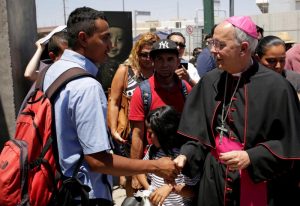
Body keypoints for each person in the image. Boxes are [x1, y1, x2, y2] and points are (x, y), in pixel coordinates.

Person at [42, 7, 178, 205]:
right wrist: (156, 166)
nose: (110, 45)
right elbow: (98, 161)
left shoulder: (53, 71)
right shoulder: (86, 86)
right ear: (83, 38)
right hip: (86, 194)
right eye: (105, 38)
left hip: (58, 187)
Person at [174, 16, 300, 206]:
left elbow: (291, 143)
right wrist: (186, 154)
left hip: (260, 181)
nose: (213, 50)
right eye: (212, 43)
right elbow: (198, 136)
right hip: (214, 180)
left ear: (243, 48)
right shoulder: (209, 81)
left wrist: (252, 156)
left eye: (220, 44)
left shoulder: (278, 87)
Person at [129, 39, 192, 191]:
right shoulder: (142, 93)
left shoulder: (186, 89)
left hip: (182, 165)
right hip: (152, 167)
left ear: (178, 61)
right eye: (160, 59)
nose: (165, 64)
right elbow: (137, 136)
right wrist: (135, 173)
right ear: (153, 62)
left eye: (170, 59)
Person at [107, 32, 160, 195]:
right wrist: (113, 128)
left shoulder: (161, 71)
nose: (148, 58)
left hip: (154, 133)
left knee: (154, 175)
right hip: (130, 134)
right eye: (144, 54)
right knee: (132, 177)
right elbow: (114, 101)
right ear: (137, 53)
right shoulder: (125, 70)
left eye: (152, 54)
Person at [137, 106, 200, 206]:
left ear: (163, 133)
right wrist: (149, 189)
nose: (148, 137)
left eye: (151, 133)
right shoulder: (153, 150)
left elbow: (192, 191)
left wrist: (172, 188)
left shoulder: (184, 156)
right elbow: (140, 171)